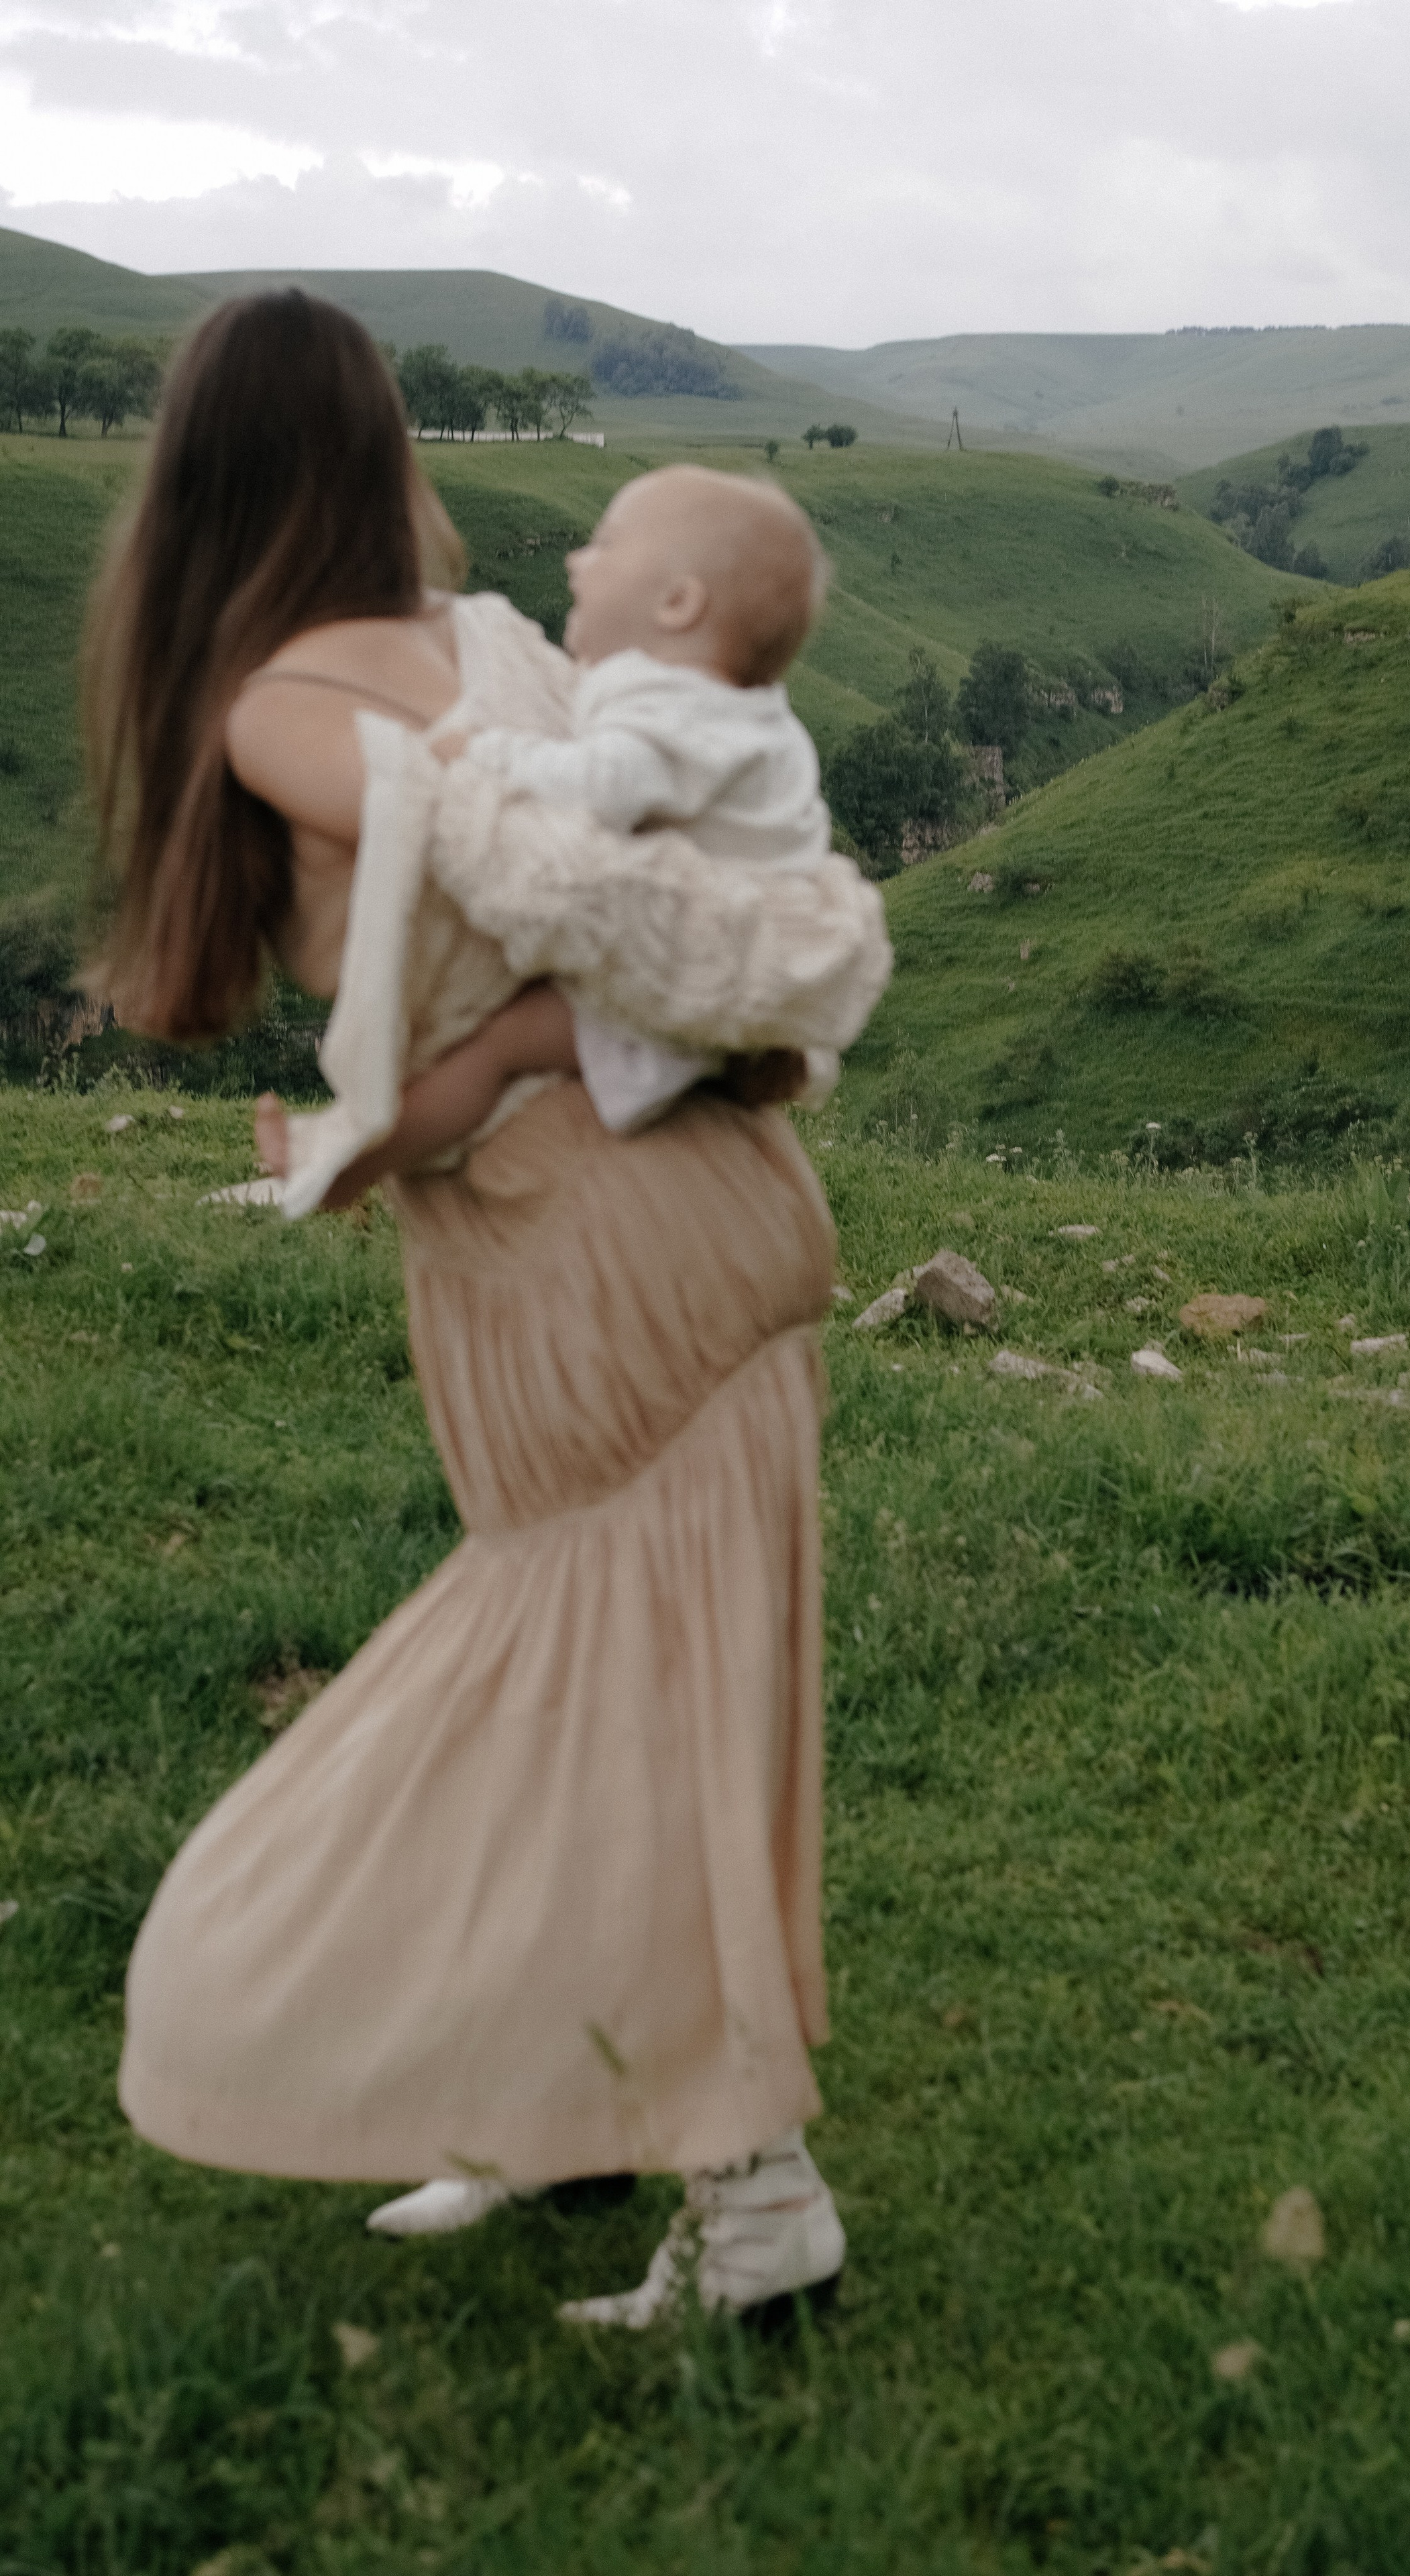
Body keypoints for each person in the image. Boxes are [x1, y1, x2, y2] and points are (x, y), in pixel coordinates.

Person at [95, 289, 885, 2325]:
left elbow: (532, 889)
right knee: (629, 1688)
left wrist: (409, 1103)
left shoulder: (292, 702)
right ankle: (578, 2106)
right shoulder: (499, 641)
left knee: (611, 1692)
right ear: (370, 451)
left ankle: (754, 2184)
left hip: (599, 1242)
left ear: (193, 481)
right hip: (629, 1213)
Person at [258, 464, 847, 1209]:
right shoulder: (755, 716)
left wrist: (479, 751)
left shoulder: (673, 708)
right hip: (736, 956)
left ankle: (343, 1166)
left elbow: (604, 787)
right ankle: (737, 1059)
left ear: (677, 602)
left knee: (495, 1051)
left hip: (689, 966)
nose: (576, 559)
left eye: (604, 545)